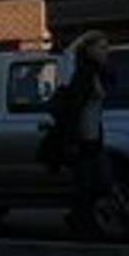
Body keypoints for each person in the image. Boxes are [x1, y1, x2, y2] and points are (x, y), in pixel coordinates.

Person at [47, 30, 112, 238]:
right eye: (102, 47)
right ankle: (82, 224)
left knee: (101, 182)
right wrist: (71, 141)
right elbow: (72, 109)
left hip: (95, 137)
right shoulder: (81, 74)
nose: (106, 51)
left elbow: (113, 78)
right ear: (90, 50)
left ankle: (80, 219)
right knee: (86, 185)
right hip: (82, 139)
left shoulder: (97, 72)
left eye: (107, 47)